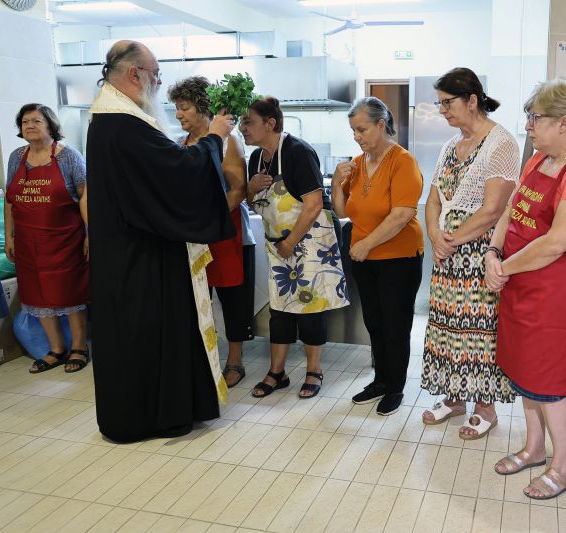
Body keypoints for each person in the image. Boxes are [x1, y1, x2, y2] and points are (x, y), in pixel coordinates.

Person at [87, 40, 235, 443]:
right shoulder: (122, 124)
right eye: (155, 73)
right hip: (141, 257)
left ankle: (174, 406)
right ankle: (154, 415)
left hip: (134, 250)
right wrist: (215, 137)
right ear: (135, 74)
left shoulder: (114, 119)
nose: (158, 80)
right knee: (149, 334)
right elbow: (177, 174)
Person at [486, 79, 566, 499]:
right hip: (520, 283)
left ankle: (564, 467)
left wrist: (503, 269)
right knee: (524, 375)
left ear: (564, 122)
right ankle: (535, 448)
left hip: (555, 293)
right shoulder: (538, 160)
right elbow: (510, 210)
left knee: (548, 383)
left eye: (535, 118)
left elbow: (557, 242)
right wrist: (493, 250)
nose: (527, 127)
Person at [420, 67, 520, 439]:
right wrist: (435, 235)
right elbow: (433, 199)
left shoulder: (501, 143)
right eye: (440, 103)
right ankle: (455, 395)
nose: (443, 110)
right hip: (447, 255)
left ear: (472, 100)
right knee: (448, 327)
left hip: (479, 253)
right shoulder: (450, 146)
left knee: (478, 329)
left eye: (448, 103)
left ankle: (485, 406)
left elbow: (493, 209)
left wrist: (452, 239)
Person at [243, 96, 348, 400]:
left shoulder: (297, 152)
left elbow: (313, 205)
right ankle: (278, 372)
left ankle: (314, 370)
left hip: (311, 241)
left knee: (310, 307)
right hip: (279, 244)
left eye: (248, 121)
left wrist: (291, 242)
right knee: (280, 310)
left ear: (270, 123)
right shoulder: (256, 159)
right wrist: (250, 189)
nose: (243, 128)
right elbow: (256, 205)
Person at [332, 97, 424, 416]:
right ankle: (380, 380)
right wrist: (335, 181)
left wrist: (367, 243)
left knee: (394, 324)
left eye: (362, 129)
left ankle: (395, 386)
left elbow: (402, 214)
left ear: (381, 125)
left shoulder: (402, 161)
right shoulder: (356, 164)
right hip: (365, 258)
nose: (357, 136)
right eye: (353, 131)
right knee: (374, 323)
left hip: (399, 258)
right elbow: (343, 211)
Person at [169, 76, 255, 388]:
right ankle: (205, 357)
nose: (179, 114)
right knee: (197, 298)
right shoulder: (181, 145)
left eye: (185, 108)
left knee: (232, 300)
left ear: (203, 108)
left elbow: (238, 189)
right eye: (177, 109)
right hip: (193, 237)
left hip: (226, 235)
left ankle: (235, 361)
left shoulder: (227, 140)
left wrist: (207, 219)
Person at [5, 103, 90, 374]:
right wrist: (10, 236)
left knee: (69, 293)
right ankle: (56, 349)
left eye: (36, 121)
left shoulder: (69, 157)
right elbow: (10, 199)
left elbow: (85, 195)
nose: (29, 126)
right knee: (37, 295)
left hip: (65, 239)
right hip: (28, 241)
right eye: (25, 122)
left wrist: (90, 233)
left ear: (50, 125)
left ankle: (79, 347)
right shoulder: (16, 157)